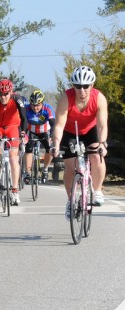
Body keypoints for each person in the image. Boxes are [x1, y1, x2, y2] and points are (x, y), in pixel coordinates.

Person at [50, 66, 108, 219]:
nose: (82, 90)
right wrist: (56, 144)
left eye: (85, 86)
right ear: (73, 86)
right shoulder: (66, 98)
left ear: (92, 86)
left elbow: (102, 125)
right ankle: (71, 200)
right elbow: (59, 125)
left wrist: (102, 143)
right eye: (78, 86)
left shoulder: (99, 98)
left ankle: (97, 191)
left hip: (90, 131)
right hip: (70, 132)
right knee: (70, 167)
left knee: (96, 155)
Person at [0, 78, 28, 205]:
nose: (3, 97)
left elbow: (24, 118)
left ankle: (14, 190)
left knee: (14, 158)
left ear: (11, 92)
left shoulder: (17, 100)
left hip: (12, 127)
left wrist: (23, 133)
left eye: (6, 94)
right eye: (0, 94)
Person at [23, 90, 56, 184]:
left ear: (42, 103)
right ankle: (28, 172)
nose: (35, 107)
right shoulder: (26, 109)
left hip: (44, 131)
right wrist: (23, 135)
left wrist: (52, 136)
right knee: (28, 149)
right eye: (33, 105)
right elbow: (22, 123)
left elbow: (53, 123)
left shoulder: (47, 108)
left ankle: (45, 169)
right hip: (31, 131)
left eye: (38, 105)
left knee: (49, 149)